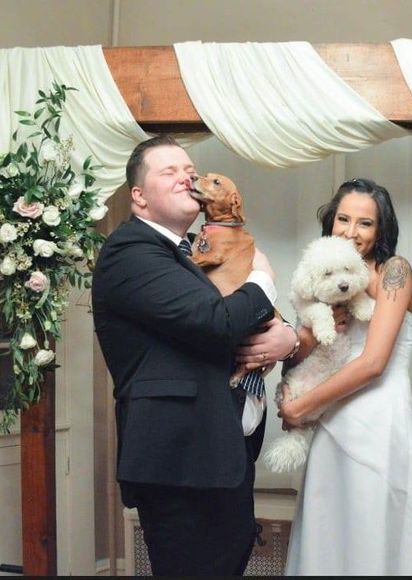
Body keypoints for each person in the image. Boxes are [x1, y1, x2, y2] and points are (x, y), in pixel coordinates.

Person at [91, 135, 299, 576]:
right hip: (179, 461)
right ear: (139, 197)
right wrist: (263, 278)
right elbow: (216, 321)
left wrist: (287, 339)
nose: (186, 177)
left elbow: (233, 323)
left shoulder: (191, 252)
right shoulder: (131, 251)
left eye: (189, 170)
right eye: (169, 171)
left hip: (222, 453)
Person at [280, 178, 412, 576]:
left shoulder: (394, 271)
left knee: (376, 541)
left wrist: (300, 407)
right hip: (330, 426)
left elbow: (372, 363)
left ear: (381, 228)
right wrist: (304, 341)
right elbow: (299, 354)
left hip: (379, 426)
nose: (351, 231)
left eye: (365, 223)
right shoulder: (320, 275)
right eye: (343, 219)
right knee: (327, 543)